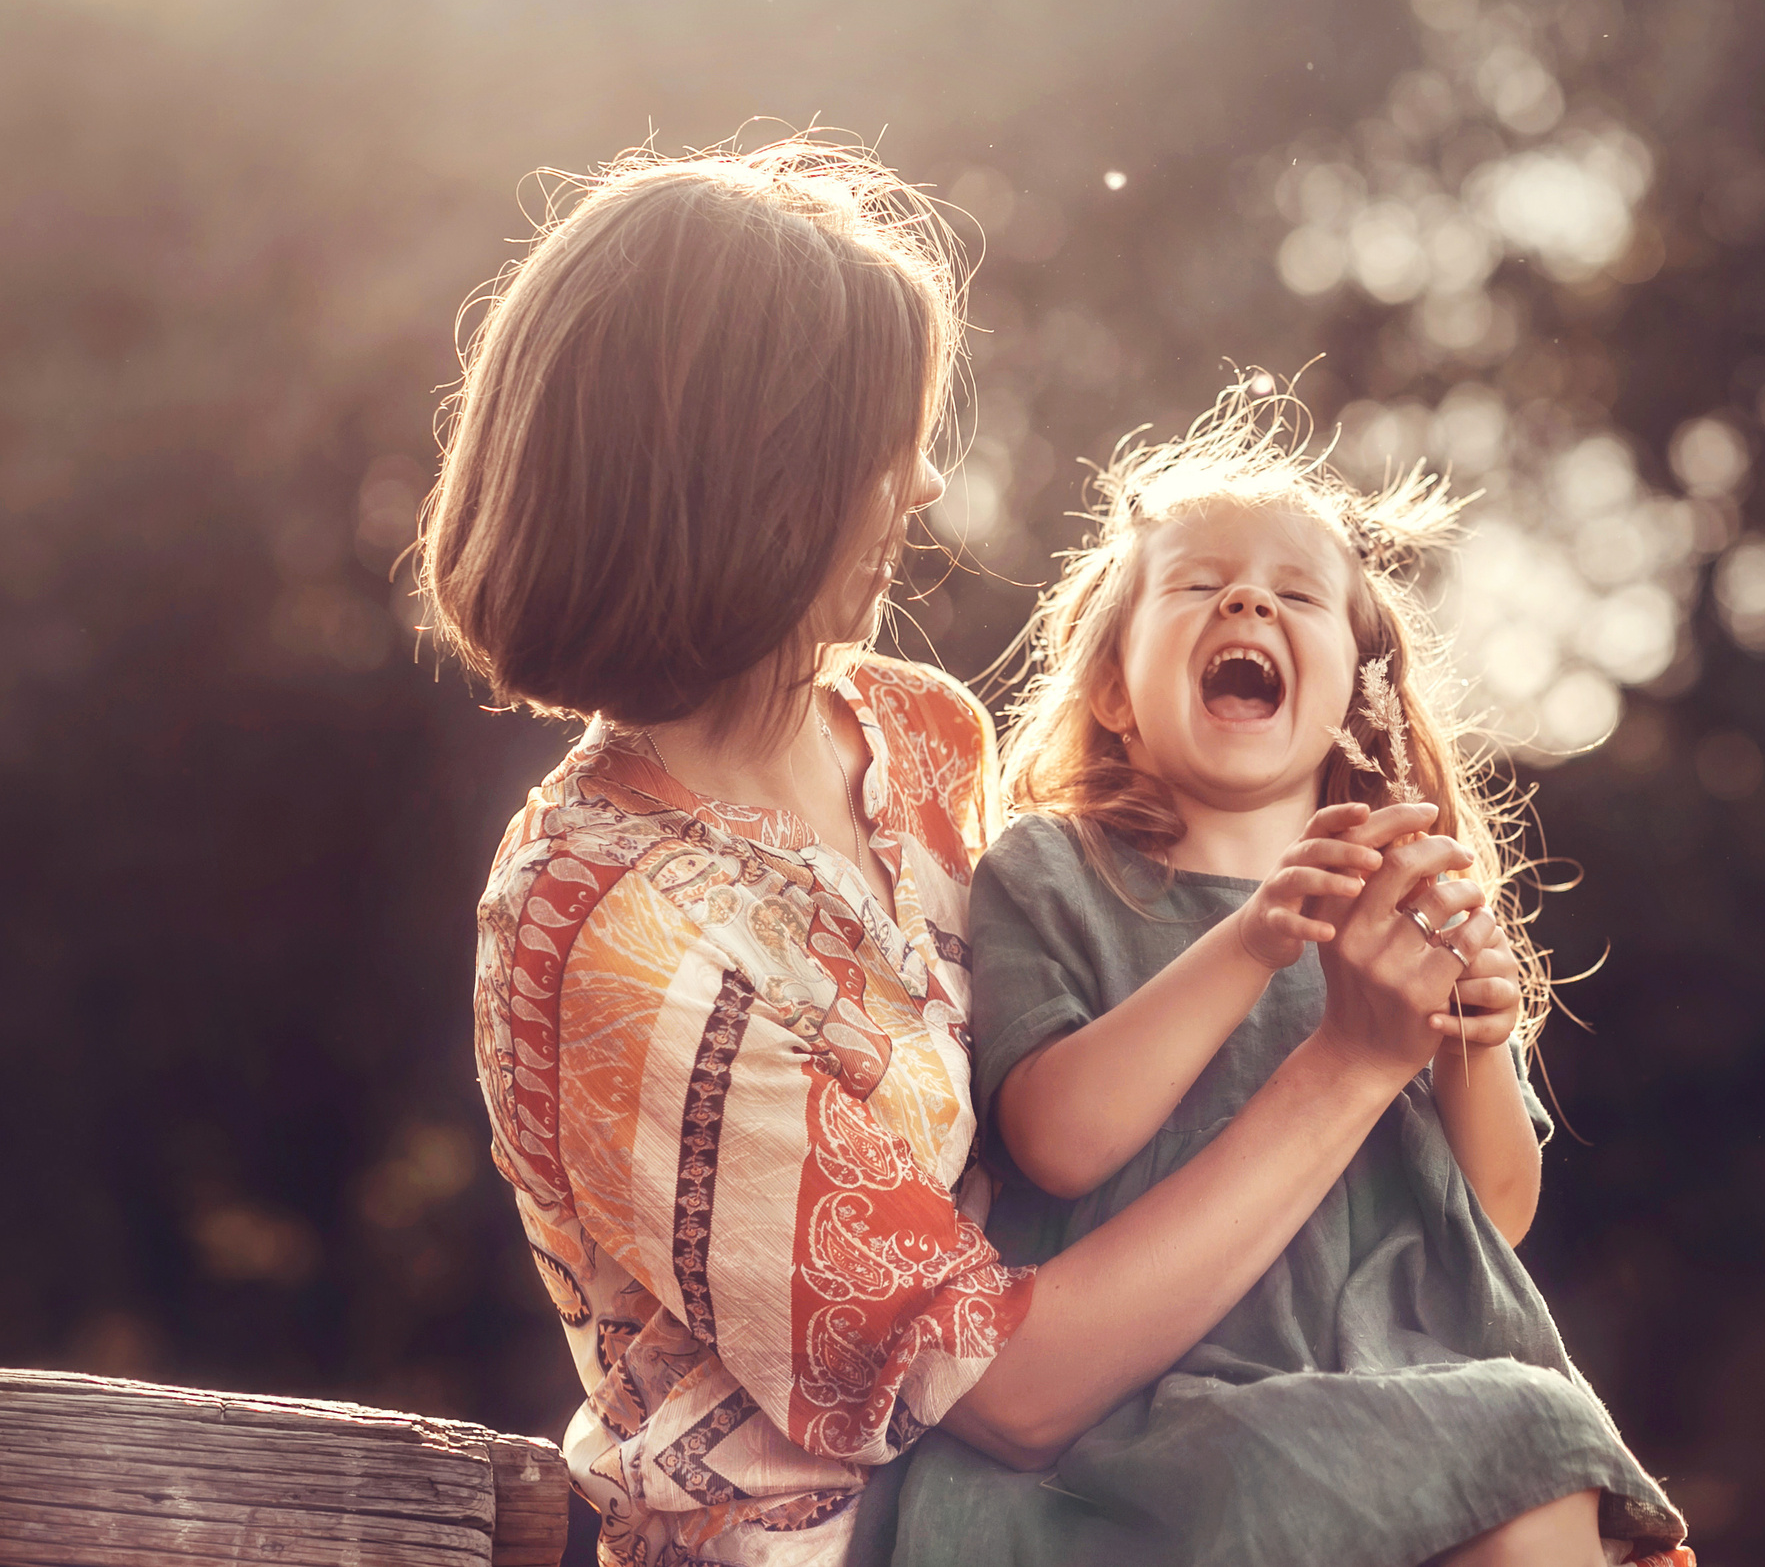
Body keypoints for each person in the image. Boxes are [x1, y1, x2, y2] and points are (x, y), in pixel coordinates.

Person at [418, 138, 1653, 1567]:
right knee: (1510, 1448)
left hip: (1129, 1470)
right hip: (891, 1529)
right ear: (755, 479)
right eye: (882, 441)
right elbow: (1003, 1391)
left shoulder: (912, 734)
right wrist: (1353, 1059)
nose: (925, 487)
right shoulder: (613, 927)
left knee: (1509, 1460)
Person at [883, 390, 1689, 1567]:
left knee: (1534, 1440)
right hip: (1161, 1403)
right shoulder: (1054, 868)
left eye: (1295, 592)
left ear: (1357, 691)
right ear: (1113, 688)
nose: (1248, 598)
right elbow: (1055, 1137)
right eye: (1198, 583)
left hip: (1393, 1374)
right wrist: (1253, 941)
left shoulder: (1400, 903)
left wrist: (1467, 1043)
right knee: (1509, 1436)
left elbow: (1494, 1213)